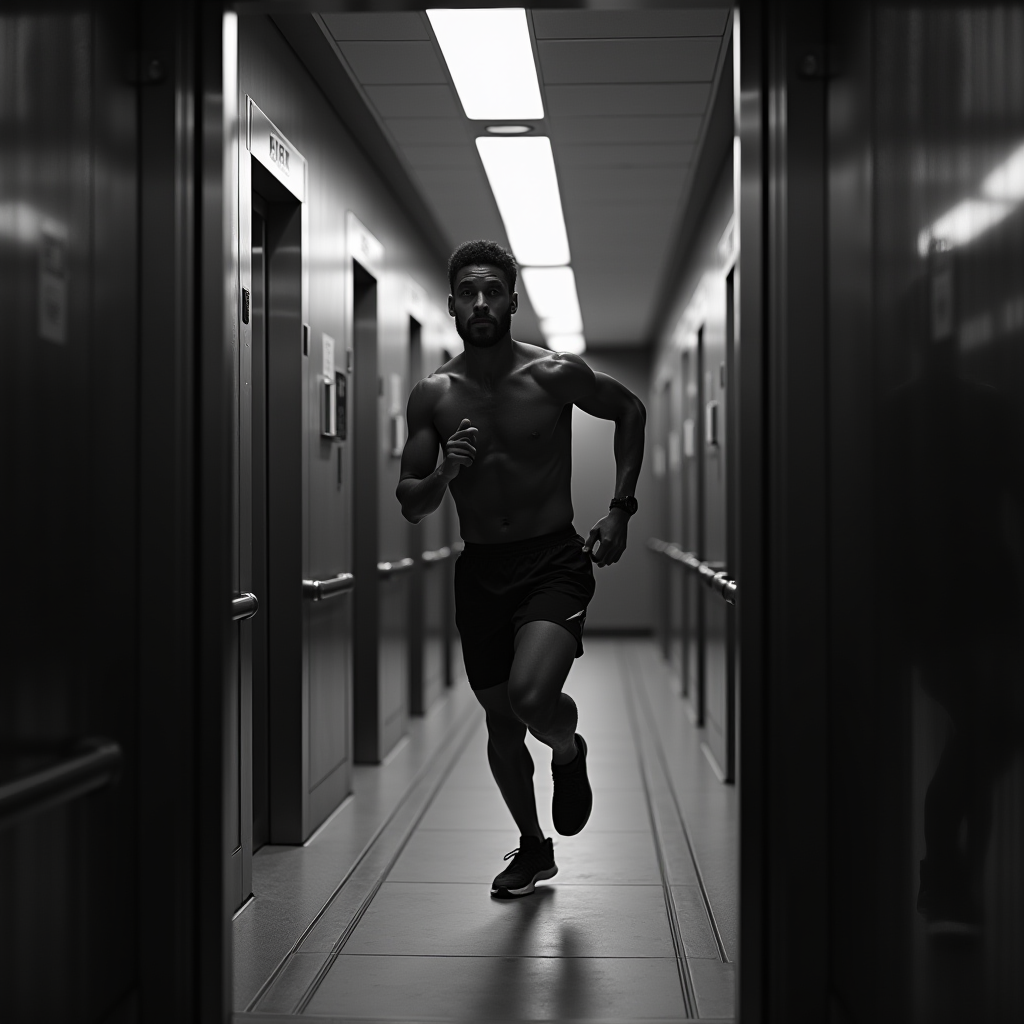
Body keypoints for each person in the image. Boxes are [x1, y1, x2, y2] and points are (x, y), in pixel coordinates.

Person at [397, 240, 646, 899]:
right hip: (480, 570)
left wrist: (620, 509)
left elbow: (629, 409)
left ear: (512, 299)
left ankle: (568, 751)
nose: (481, 302)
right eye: (468, 292)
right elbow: (410, 502)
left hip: (552, 561)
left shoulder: (553, 374)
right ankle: (534, 847)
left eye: (493, 291)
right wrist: (446, 469)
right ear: (451, 304)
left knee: (533, 699)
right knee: (502, 722)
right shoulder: (433, 396)